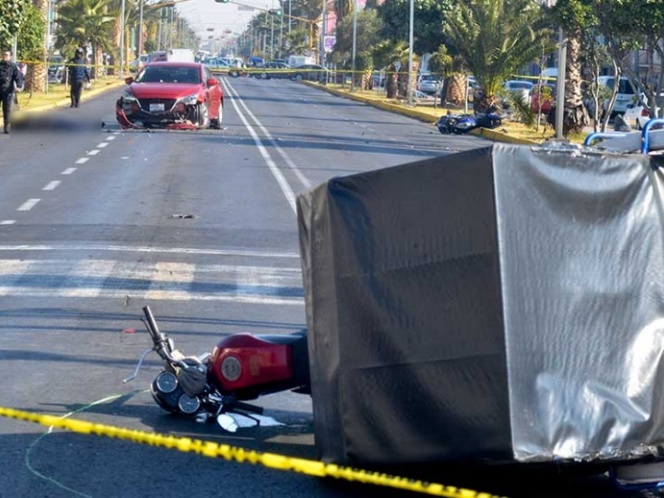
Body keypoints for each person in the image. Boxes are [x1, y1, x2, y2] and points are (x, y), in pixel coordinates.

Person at [0, 49, 24, 134]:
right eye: (3, 54)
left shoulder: (13, 66)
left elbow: (18, 77)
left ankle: (6, 126)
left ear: (10, 56)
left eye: (6, 55)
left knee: (6, 109)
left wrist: (19, 86)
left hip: (7, 90)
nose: (4, 56)